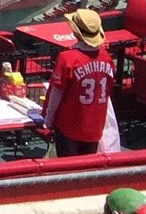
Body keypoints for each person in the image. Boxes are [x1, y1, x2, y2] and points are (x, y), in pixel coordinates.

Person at [43, 9, 116, 156]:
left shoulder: (67, 58)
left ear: (76, 32)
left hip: (68, 126)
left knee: (69, 171)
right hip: (95, 128)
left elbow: (56, 93)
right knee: (86, 171)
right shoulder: (106, 58)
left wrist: (48, 119)